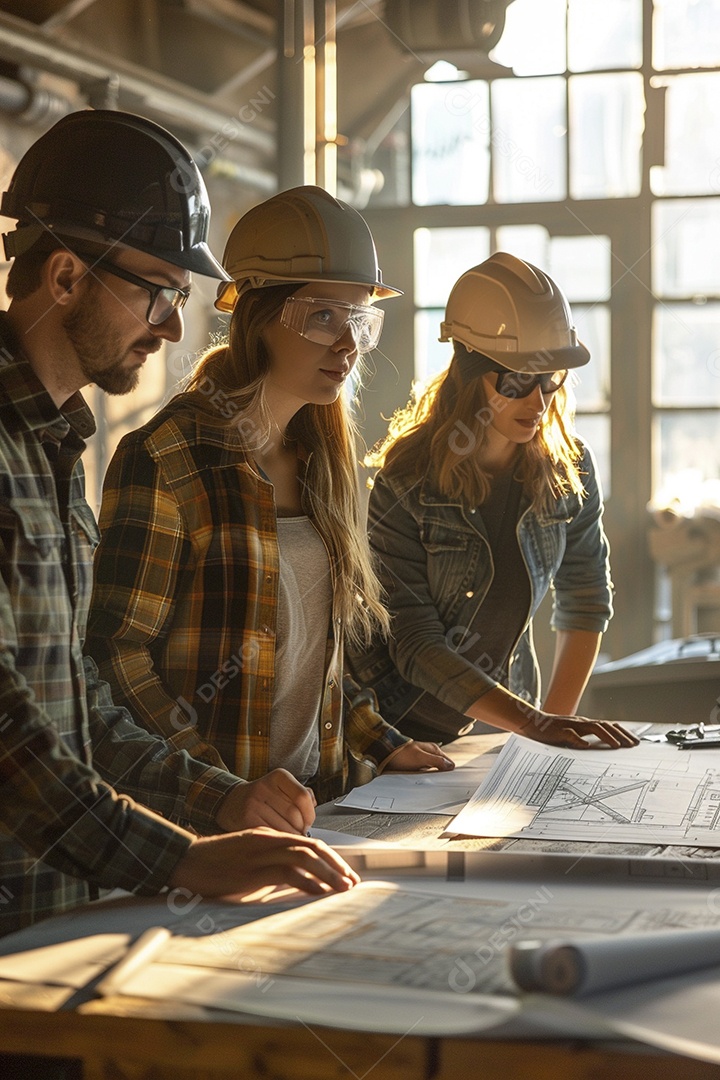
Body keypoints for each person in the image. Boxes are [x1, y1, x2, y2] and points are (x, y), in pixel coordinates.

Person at [0, 110, 360, 938]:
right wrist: (183, 858)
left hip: (62, 923)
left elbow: (79, 703)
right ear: (64, 277)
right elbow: (9, 737)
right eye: (158, 292)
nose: (170, 327)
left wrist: (222, 801)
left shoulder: (54, 451)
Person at [87, 184, 454, 805]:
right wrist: (223, 791)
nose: (347, 345)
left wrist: (380, 740)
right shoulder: (168, 456)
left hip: (324, 804)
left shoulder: (322, 460)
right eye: (322, 317)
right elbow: (116, 660)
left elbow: (311, 652)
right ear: (256, 318)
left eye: (359, 320)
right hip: (212, 827)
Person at [348, 252, 639, 751]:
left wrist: (550, 727)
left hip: (502, 728)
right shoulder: (407, 480)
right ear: (467, 373)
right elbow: (415, 643)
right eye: (517, 381)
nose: (539, 400)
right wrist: (536, 725)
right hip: (397, 735)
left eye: (550, 379)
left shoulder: (570, 468)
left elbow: (586, 603)